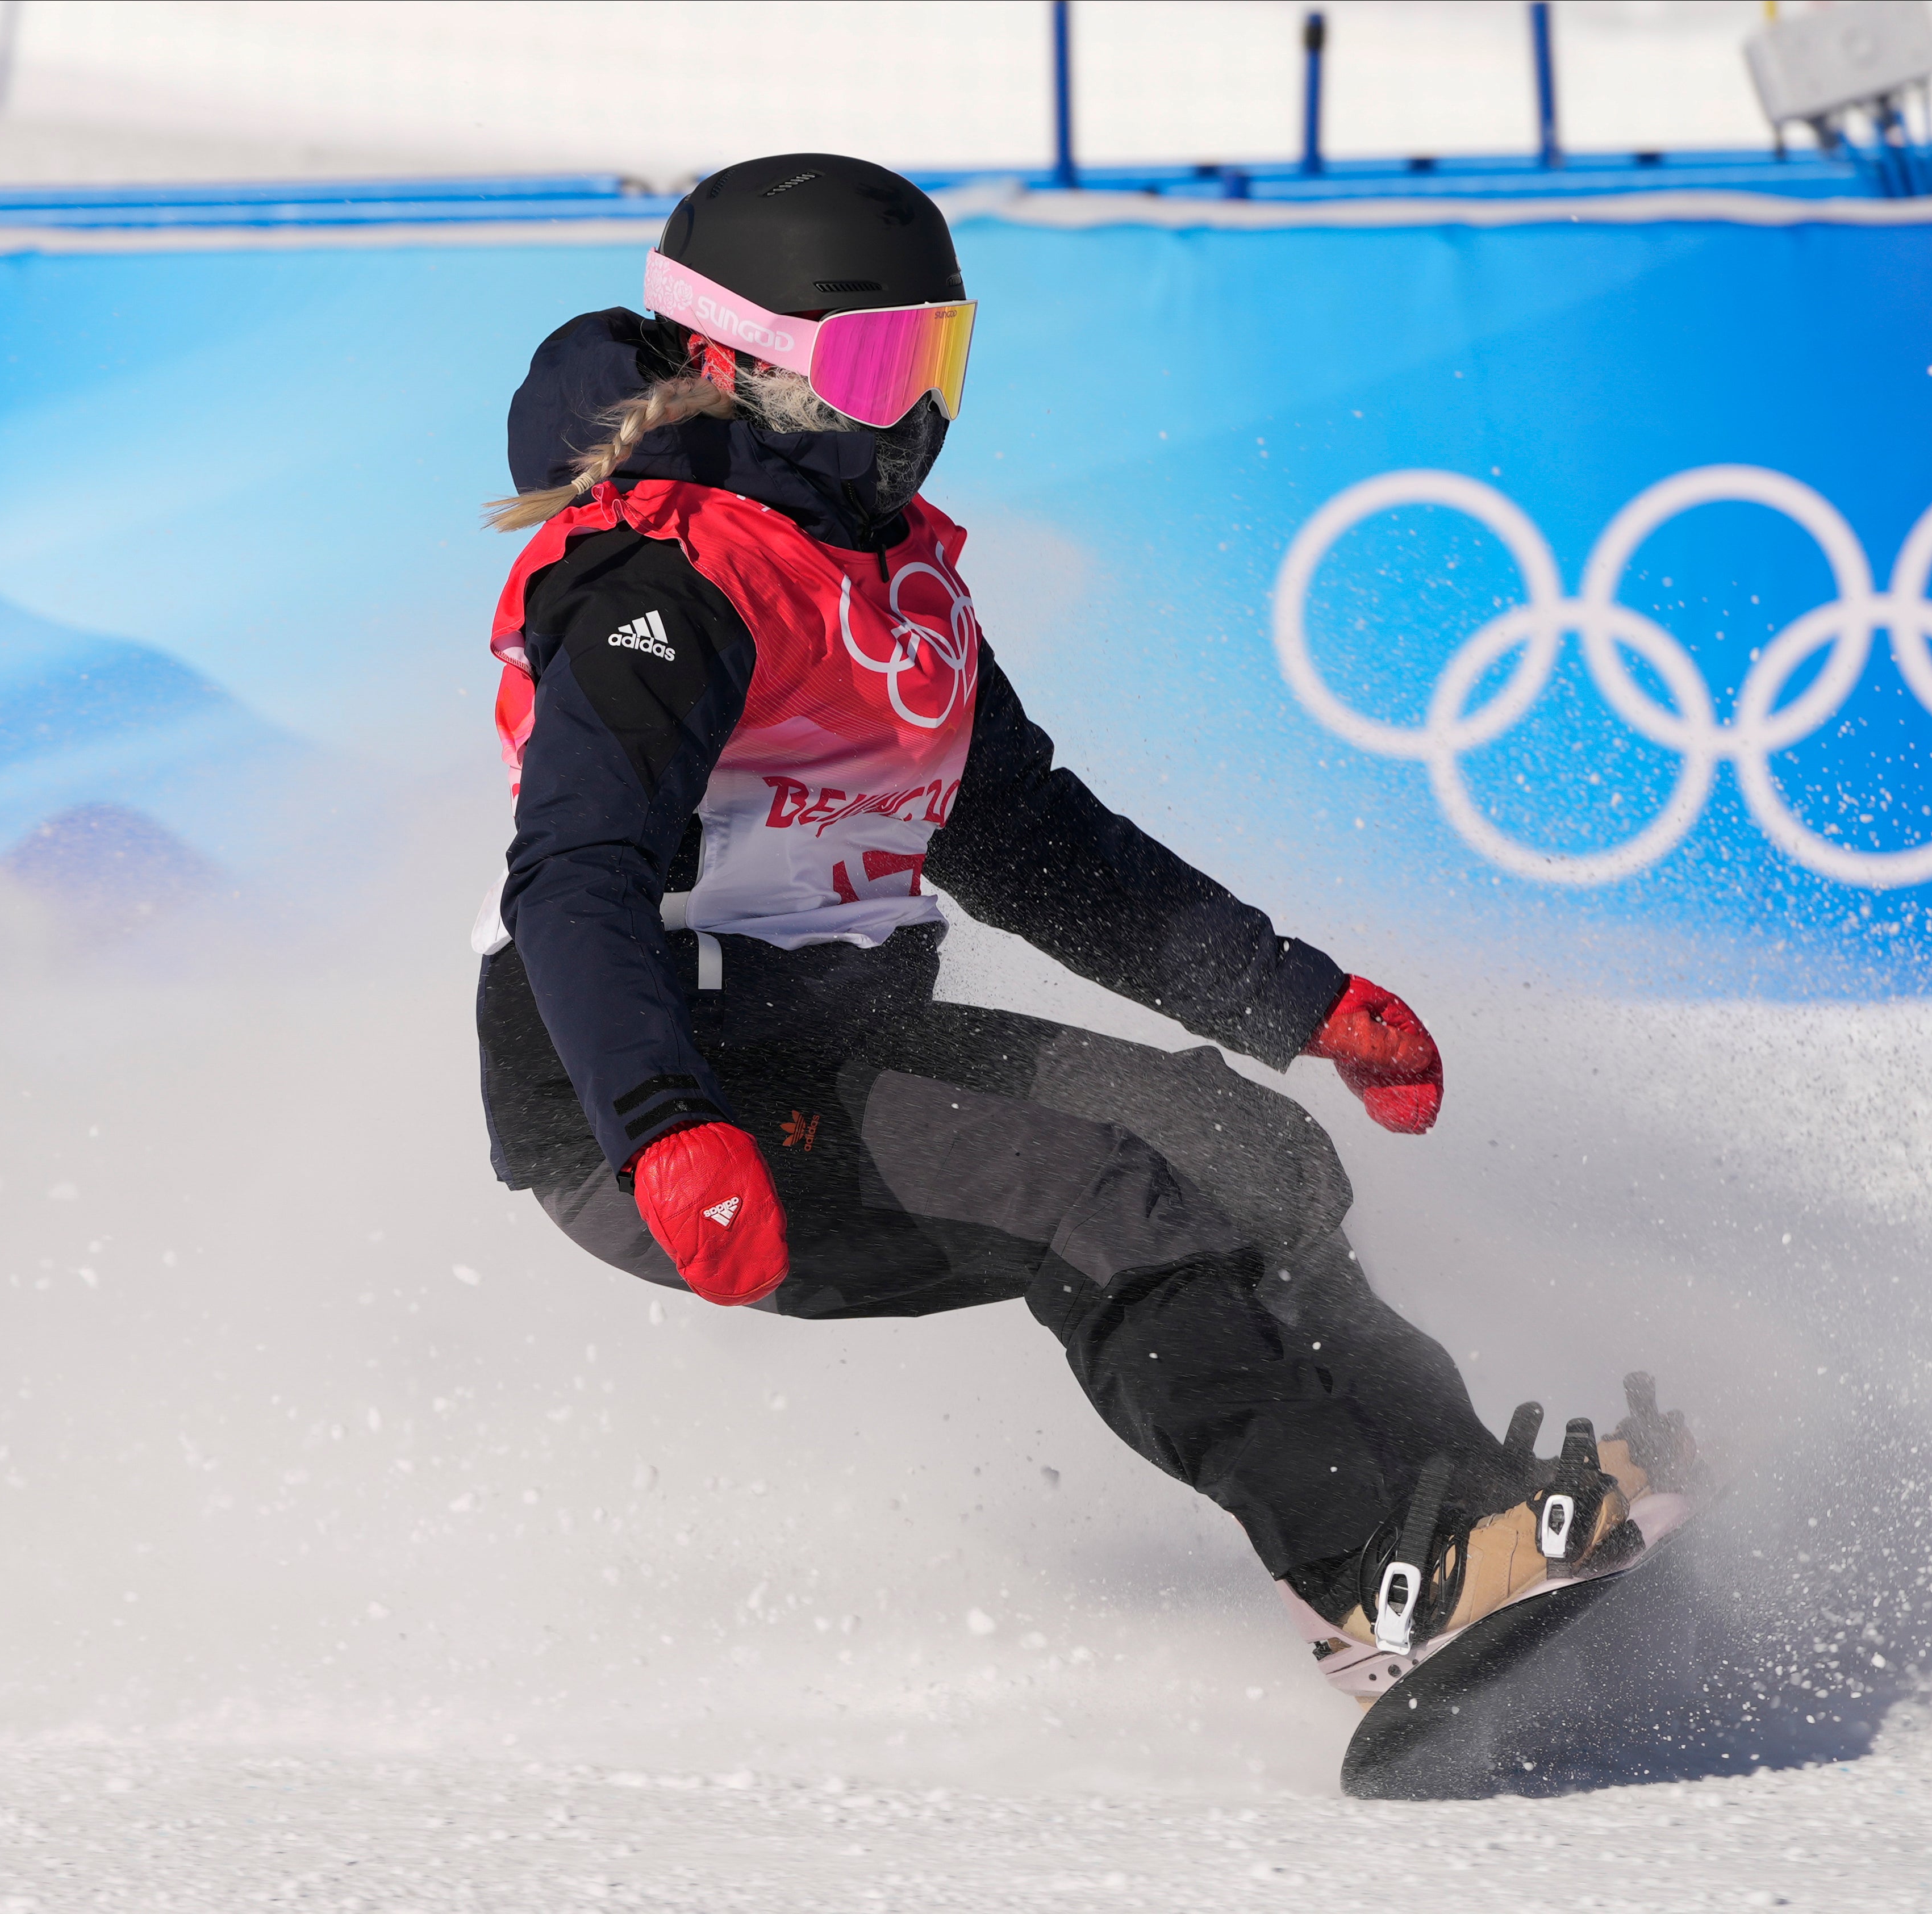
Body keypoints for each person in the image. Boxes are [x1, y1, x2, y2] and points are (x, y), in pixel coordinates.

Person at [470, 153, 1692, 1702]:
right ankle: (1390, 1573)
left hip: (841, 1046)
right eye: (871, 364)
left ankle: (1482, 1512)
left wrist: (1294, 999)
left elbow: (1036, 847)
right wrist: (659, 1125)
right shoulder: (663, 583)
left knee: (1254, 1153)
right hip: (657, 1103)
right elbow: (574, 875)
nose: (913, 406)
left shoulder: (895, 580)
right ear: (739, 363)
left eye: (937, 356)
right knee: (1109, 1197)